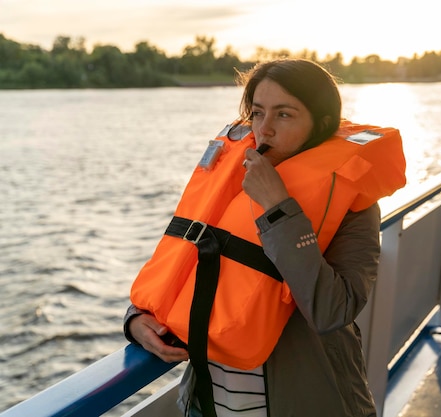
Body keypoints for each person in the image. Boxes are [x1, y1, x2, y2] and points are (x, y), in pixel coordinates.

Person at [124, 58, 406, 417]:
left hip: (308, 402)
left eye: (284, 115)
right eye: (257, 113)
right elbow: (178, 266)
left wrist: (278, 208)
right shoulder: (230, 186)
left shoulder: (351, 206)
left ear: (320, 124)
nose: (265, 129)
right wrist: (136, 319)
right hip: (209, 402)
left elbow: (334, 309)